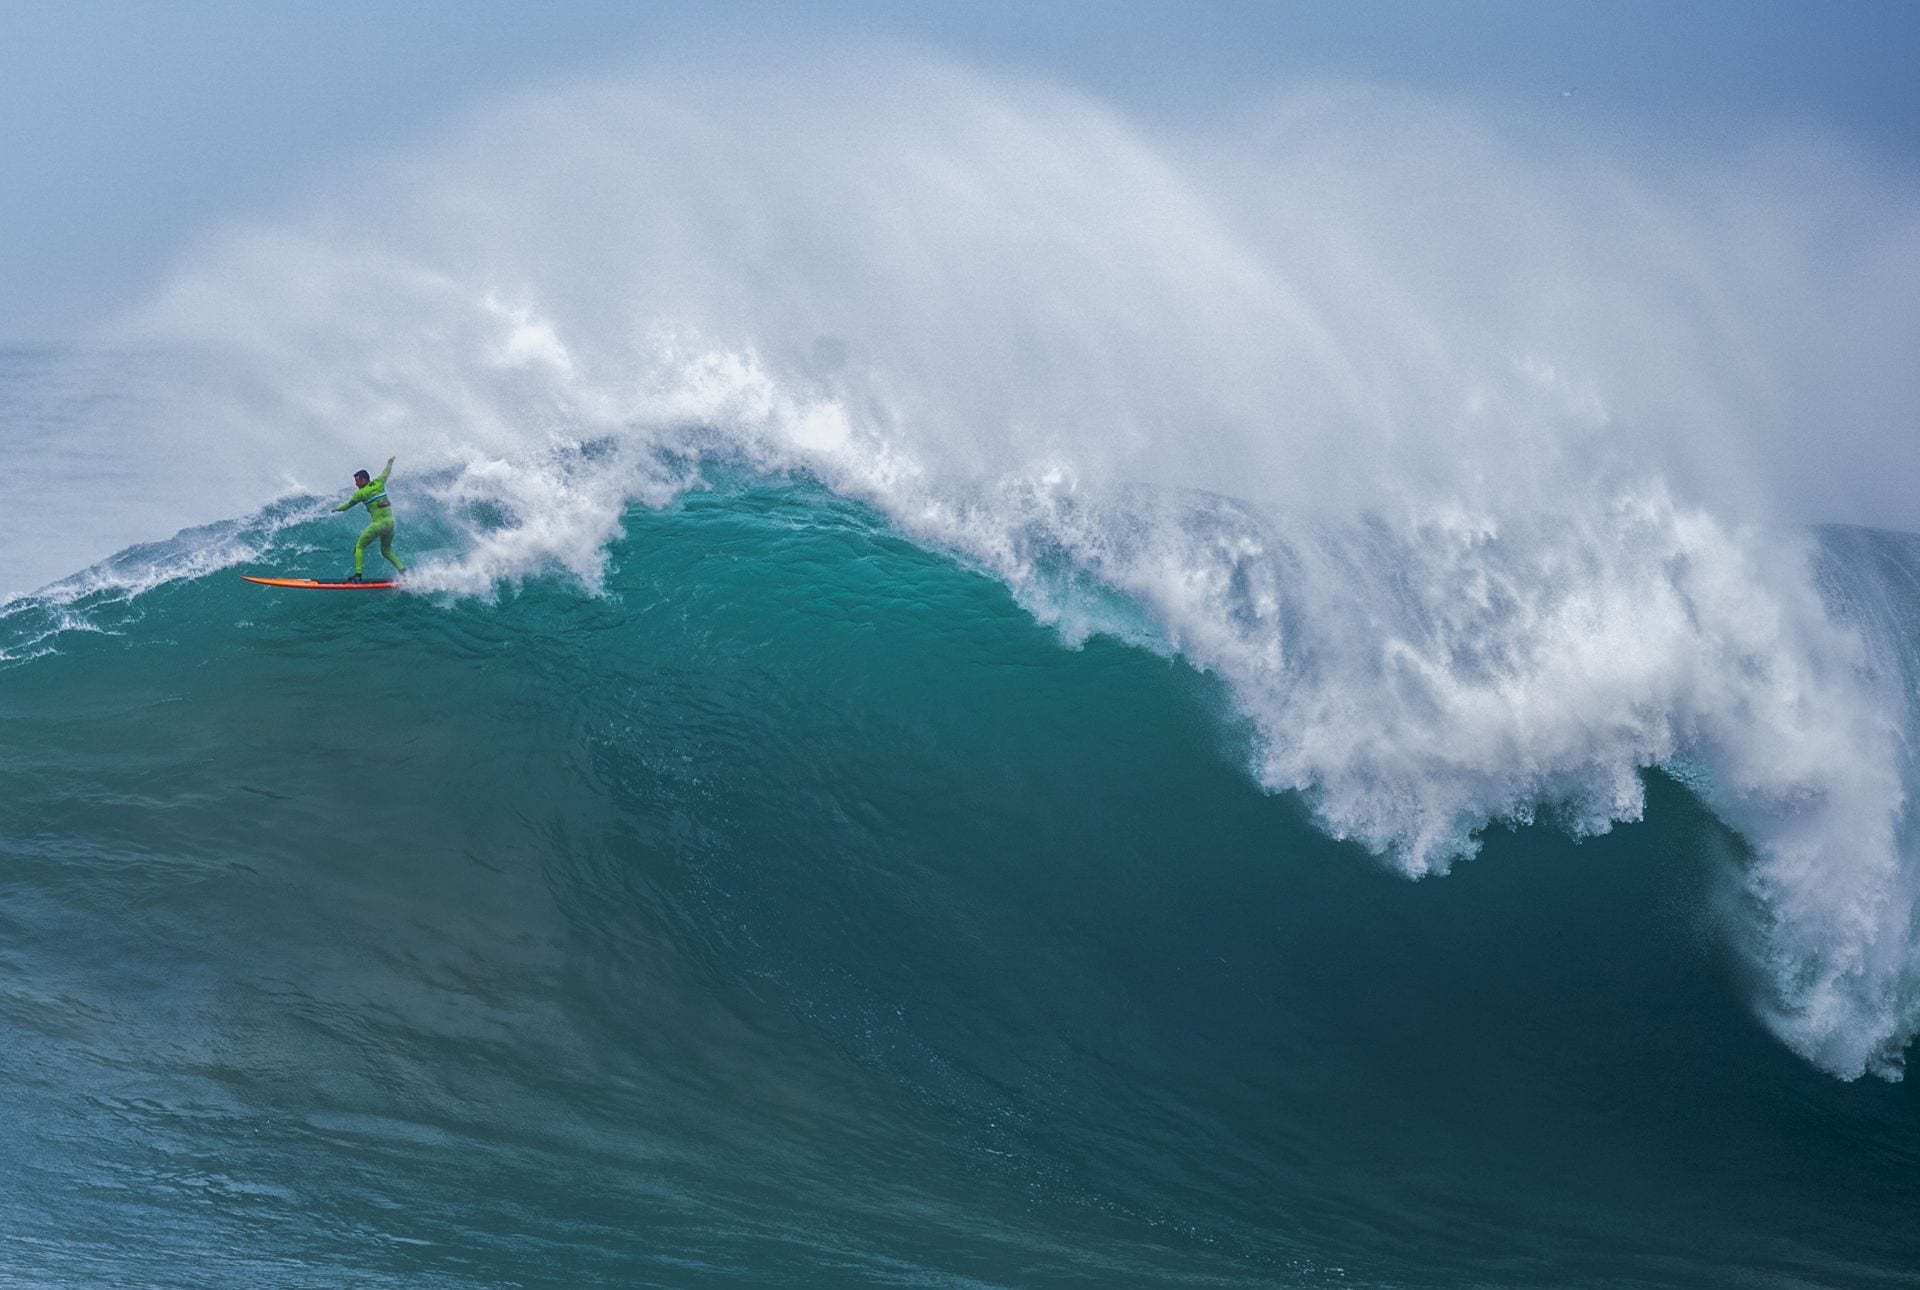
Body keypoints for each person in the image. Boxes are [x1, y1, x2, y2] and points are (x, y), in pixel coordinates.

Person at [334, 456, 407, 582]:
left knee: (359, 546)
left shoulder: (361, 493)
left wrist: (337, 509)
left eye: (357, 481)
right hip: (390, 524)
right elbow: (386, 473)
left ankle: (358, 576)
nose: (356, 484)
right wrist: (390, 463)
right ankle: (404, 572)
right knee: (386, 551)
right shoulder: (379, 482)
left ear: (364, 480)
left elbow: (348, 505)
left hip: (378, 525)